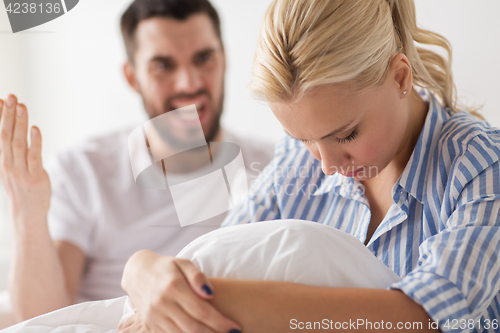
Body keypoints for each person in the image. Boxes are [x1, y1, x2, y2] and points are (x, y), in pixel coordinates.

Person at [117, 0, 500, 332]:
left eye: (346, 135)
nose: (328, 166)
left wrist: (207, 303)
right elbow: (222, 252)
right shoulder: (296, 162)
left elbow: (422, 321)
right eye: (304, 138)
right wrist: (142, 269)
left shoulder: (481, 168)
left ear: (399, 77)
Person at [0, 0, 274, 327]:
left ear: (225, 59)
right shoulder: (84, 171)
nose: (189, 83)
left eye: (204, 59)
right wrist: (27, 212)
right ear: (133, 78)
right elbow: (41, 321)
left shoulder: (273, 166)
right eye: (163, 65)